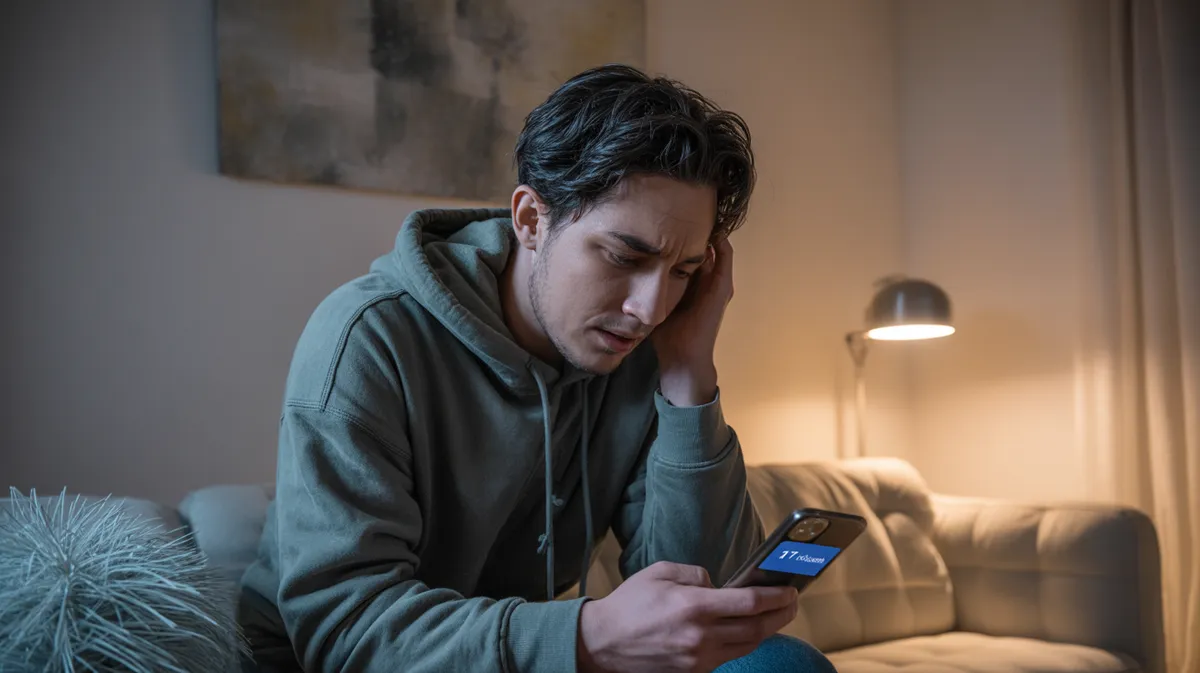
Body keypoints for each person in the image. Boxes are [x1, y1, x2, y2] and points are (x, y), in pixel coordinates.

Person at [238, 64, 837, 673]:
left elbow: (703, 602)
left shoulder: (635, 350)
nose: (650, 309)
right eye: (625, 256)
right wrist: (586, 635)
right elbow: (344, 632)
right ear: (530, 219)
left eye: (683, 271)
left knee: (777, 665)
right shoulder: (366, 340)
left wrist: (687, 376)